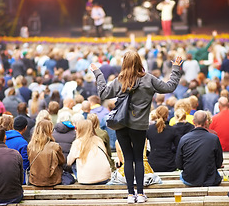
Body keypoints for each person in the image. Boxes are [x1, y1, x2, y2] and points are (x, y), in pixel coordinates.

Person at [91, 51, 182, 203]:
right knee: (139, 158)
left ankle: (130, 195)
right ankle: (140, 194)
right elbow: (169, 87)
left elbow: (103, 93)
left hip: (121, 124)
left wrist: (98, 73)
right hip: (139, 126)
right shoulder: (148, 79)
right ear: (139, 62)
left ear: (124, 63)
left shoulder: (119, 80)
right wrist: (176, 69)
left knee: (127, 159)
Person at [176, 110, 223, 186]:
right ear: (207, 122)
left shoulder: (184, 139)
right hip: (210, 179)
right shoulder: (214, 138)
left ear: (193, 122)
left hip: (189, 179)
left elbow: (179, 164)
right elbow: (219, 163)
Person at [67, 120, 111, 185]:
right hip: (104, 178)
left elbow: (69, 162)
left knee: (74, 162)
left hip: (86, 180)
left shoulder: (77, 142)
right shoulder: (99, 140)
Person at [27, 119, 64, 187]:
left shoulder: (30, 146)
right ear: (49, 131)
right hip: (52, 180)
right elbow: (62, 161)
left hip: (34, 180)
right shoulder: (55, 146)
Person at [147, 106, 178, 172]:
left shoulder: (149, 129)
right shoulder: (172, 130)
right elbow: (178, 147)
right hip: (169, 164)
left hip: (153, 163)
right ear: (167, 115)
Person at [5, 116, 30, 184]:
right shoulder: (23, 143)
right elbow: (25, 164)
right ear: (25, 128)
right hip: (17, 179)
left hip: (2, 175)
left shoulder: (3, 137)